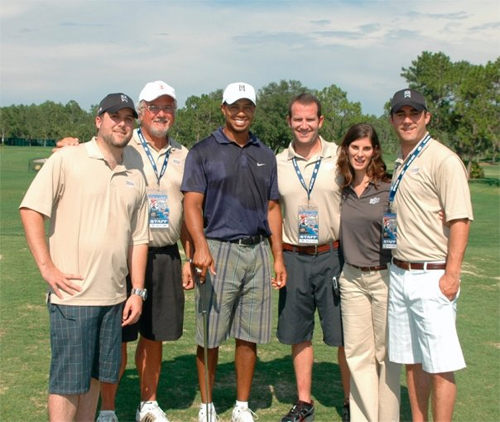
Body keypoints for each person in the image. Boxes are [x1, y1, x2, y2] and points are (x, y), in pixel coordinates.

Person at [19, 93, 149, 422]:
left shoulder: (136, 168)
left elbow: (139, 237)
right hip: (73, 296)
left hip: (114, 298)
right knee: (67, 383)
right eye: (114, 116)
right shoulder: (68, 159)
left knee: (96, 378)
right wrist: (46, 267)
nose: (122, 123)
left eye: (128, 118)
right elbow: (31, 209)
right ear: (99, 120)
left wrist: (137, 290)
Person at [181, 82, 287, 422]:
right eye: (235, 106)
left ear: (254, 110)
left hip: (256, 252)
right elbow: (192, 205)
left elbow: (272, 207)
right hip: (217, 250)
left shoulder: (265, 153)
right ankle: (208, 405)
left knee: (249, 334)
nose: (241, 113)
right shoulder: (203, 151)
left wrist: (278, 256)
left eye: (247, 107)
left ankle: (241, 406)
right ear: (223, 109)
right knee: (210, 333)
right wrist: (199, 247)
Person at [387, 88, 473, 422]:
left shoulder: (443, 159)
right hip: (400, 272)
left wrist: (451, 275)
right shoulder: (401, 160)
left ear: (427, 117)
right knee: (413, 359)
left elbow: (460, 220)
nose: (407, 120)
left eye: (414, 113)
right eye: (400, 114)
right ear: (393, 119)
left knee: (441, 364)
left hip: (433, 274)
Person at [276, 93, 350, 422]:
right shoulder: (278, 161)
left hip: (332, 255)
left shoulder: (341, 156)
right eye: (297, 119)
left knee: (342, 335)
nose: (303, 125)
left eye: (310, 119)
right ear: (289, 122)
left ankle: (351, 403)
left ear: (320, 121)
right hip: (294, 256)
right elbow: (272, 211)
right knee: (299, 333)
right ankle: (304, 402)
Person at [337, 123, 401, 422]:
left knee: (386, 355)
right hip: (351, 279)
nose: (360, 154)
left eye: (366, 148)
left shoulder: (388, 187)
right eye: (355, 147)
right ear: (346, 149)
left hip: (384, 277)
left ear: (375, 151)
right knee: (357, 354)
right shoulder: (342, 187)